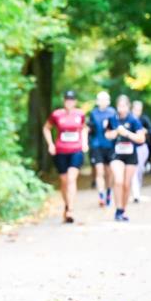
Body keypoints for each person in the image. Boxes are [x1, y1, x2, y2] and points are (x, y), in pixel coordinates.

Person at [43, 90, 88, 223]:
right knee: (64, 181)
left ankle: (71, 210)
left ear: (75, 102)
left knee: (71, 178)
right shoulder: (56, 114)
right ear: (64, 101)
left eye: (72, 100)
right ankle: (67, 205)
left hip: (76, 150)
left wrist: (84, 142)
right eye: (67, 100)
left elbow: (84, 128)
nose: (70, 102)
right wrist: (50, 144)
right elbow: (46, 128)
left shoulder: (80, 114)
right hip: (61, 151)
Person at [105, 94, 146, 222]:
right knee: (118, 181)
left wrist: (127, 133)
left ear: (128, 106)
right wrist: (116, 132)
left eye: (124, 106)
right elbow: (107, 135)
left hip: (130, 155)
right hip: (116, 154)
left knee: (127, 185)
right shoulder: (112, 119)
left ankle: (123, 210)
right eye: (119, 106)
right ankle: (117, 209)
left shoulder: (134, 120)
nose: (121, 108)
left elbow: (141, 139)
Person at [87, 91, 116, 208]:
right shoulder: (93, 113)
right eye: (100, 99)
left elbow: (116, 129)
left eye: (105, 99)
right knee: (99, 171)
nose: (103, 102)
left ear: (108, 101)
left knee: (109, 173)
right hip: (96, 145)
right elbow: (90, 129)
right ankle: (101, 195)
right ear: (97, 101)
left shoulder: (113, 112)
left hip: (110, 147)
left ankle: (109, 192)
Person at [130, 100, 151, 201]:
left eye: (140, 110)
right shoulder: (129, 119)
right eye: (136, 109)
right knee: (134, 170)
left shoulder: (144, 119)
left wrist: (146, 131)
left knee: (140, 169)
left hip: (142, 147)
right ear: (132, 109)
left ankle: (137, 189)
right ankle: (136, 193)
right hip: (130, 149)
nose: (138, 112)